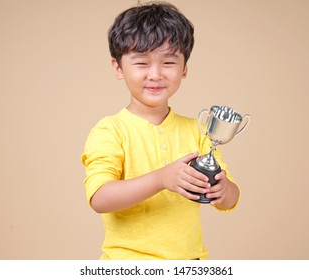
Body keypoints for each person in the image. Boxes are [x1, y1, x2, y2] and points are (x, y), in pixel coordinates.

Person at [81, 1, 240, 260]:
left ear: (184, 68)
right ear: (118, 68)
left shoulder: (198, 131)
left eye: (168, 62)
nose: (155, 74)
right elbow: (100, 197)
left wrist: (223, 190)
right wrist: (161, 179)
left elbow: (230, 198)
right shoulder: (110, 130)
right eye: (142, 63)